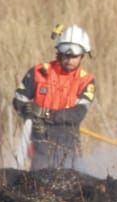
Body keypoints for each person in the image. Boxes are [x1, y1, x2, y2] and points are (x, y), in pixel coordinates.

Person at [13, 24, 96, 171]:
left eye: (74, 56)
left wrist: (45, 113)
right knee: (37, 184)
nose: (69, 60)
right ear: (59, 52)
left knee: (72, 187)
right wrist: (27, 109)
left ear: (83, 55)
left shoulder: (86, 81)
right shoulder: (39, 72)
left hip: (68, 143)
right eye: (66, 55)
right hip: (40, 141)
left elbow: (78, 114)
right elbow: (19, 100)